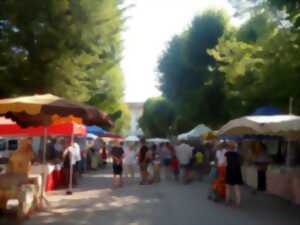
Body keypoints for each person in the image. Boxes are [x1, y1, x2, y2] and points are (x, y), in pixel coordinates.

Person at [224, 142, 243, 207]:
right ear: (234, 147)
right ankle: (238, 202)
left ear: (229, 147)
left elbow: (225, 163)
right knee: (236, 188)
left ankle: (227, 200)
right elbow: (240, 163)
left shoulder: (227, 154)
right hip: (237, 171)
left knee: (228, 187)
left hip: (229, 171)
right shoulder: (237, 154)